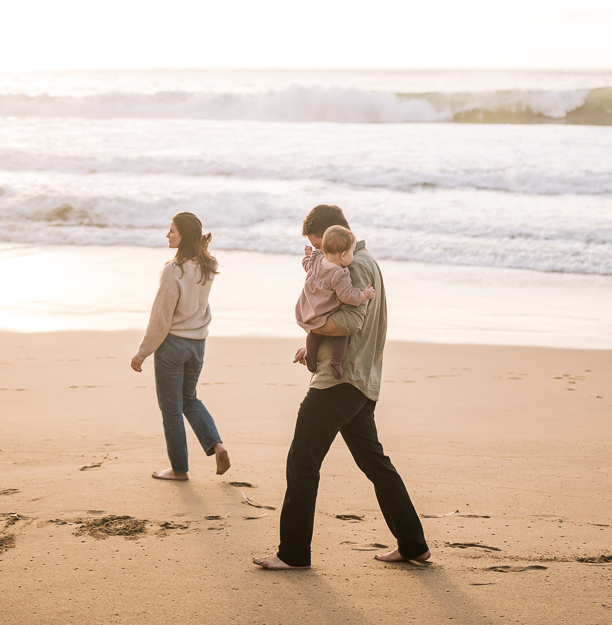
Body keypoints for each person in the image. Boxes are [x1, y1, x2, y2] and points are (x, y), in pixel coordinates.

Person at [254, 203, 429, 570]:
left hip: (339, 382)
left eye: (321, 246)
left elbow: (350, 322)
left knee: (302, 461)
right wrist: (313, 344)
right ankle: (413, 544)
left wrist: (309, 325)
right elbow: (349, 319)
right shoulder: (363, 261)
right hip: (361, 380)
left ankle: (293, 553)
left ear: (341, 234)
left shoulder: (353, 266)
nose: (321, 254)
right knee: (375, 464)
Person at [130, 212, 230, 481]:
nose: (167, 235)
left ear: (184, 235)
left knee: (171, 409)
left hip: (173, 346)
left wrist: (142, 353)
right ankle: (217, 445)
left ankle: (179, 469)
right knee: (190, 399)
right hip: (197, 345)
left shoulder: (173, 271)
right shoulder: (208, 265)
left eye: (172, 230)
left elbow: (160, 319)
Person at [297, 223, 375, 379]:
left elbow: (307, 265)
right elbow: (346, 295)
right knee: (342, 334)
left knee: (314, 333)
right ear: (343, 255)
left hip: (311, 309)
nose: (353, 257)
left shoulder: (317, 259)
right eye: (352, 253)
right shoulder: (339, 273)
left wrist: (307, 255)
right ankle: (336, 362)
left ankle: (310, 354)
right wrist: (364, 295)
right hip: (325, 310)